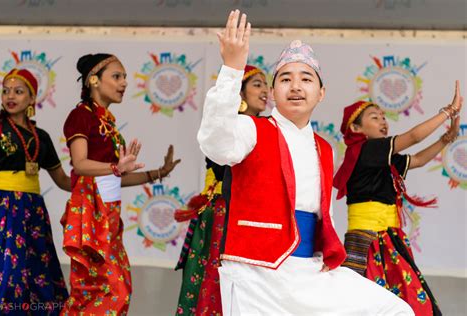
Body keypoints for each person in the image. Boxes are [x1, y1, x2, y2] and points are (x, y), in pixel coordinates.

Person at [197, 10, 414, 315]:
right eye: (285, 79)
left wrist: (331, 254)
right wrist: (232, 68)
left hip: (312, 271)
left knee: (393, 309)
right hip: (257, 275)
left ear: (321, 93)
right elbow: (216, 143)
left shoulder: (323, 148)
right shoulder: (251, 130)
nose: (296, 86)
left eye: (306, 79)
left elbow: (323, 211)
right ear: (273, 93)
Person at [61, 53, 181, 315]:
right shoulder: (81, 116)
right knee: (109, 289)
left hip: (108, 213)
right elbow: (80, 164)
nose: (124, 82)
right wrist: (115, 168)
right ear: (94, 80)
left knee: (115, 286)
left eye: (125, 77)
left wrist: (158, 172)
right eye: (117, 76)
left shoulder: (109, 122)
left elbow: (116, 175)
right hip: (91, 213)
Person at [334, 85, 462, 316]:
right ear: (355, 128)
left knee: (400, 301)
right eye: (374, 117)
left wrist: (446, 139)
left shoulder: (380, 158)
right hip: (369, 242)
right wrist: (447, 112)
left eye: (383, 116)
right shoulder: (366, 150)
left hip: (386, 239)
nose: (383, 121)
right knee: (381, 303)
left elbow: (420, 159)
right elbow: (413, 137)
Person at [175, 65, 268, 316]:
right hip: (224, 215)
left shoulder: (266, 129)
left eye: (266, 85)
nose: (265, 90)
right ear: (239, 94)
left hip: (250, 217)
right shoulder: (229, 126)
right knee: (216, 280)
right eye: (257, 84)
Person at [0, 68, 69, 315]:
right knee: (5, 272)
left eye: (18, 91)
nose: (9, 96)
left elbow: (63, 181)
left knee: (36, 272)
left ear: (32, 98)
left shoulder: (41, 138)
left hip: (31, 213)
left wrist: (106, 174)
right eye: (5, 91)